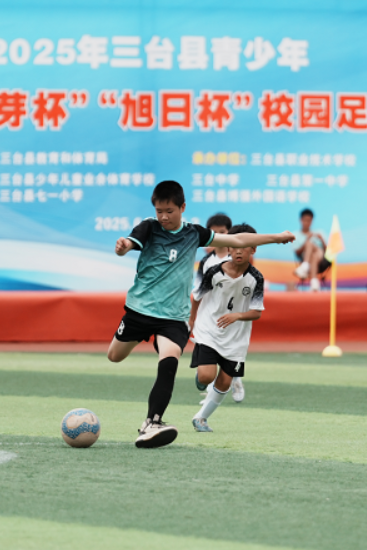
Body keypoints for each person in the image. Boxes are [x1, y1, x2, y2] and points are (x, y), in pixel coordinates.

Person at [108, 180, 293, 449]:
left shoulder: (194, 233)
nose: (164, 217)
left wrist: (276, 238)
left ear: (182, 207)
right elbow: (129, 243)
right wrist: (123, 246)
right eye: (159, 211)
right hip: (140, 310)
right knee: (114, 356)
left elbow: (238, 240)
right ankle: (152, 401)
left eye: (169, 211)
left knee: (170, 359)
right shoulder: (149, 226)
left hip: (173, 317)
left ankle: (152, 422)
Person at [190, 223, 265, 432]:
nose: (239, 251)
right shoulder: (213, 272)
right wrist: (191, 320)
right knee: (206, 377)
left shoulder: (256, 278)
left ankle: (201, 418)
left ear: (254, 249)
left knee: (224, 382)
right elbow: (197, 296)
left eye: (245, 246)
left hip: (236, 339)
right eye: (235, 246)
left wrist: (238, 315)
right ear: (229, 248)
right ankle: (201, 375)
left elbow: (257, 312)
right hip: (210, 330)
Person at [192, 213, 245, 403]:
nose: (218, 236)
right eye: (214, 232)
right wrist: (192, 319)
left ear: (229, 232)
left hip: (232, 316)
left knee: (230, 352)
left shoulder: (238, 257)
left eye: (222, 232)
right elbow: (197, 292)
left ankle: (236, 379)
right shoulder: (206, 262)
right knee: (209, 361)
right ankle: (209, 389)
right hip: (210, 317)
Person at [292, 208, 329, 292]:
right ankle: (314, 284)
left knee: (311, 245)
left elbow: (327, 251)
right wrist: (306, 240)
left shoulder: (319, 232)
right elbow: (297, 253)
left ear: (312, 221)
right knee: (312, 253)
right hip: (307, 258)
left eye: (309, 220)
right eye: (305, 220)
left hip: (321, 260)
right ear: (301, 220)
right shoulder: (295, 235)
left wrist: (321, 240)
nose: (307, 223)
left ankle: (305, 266)